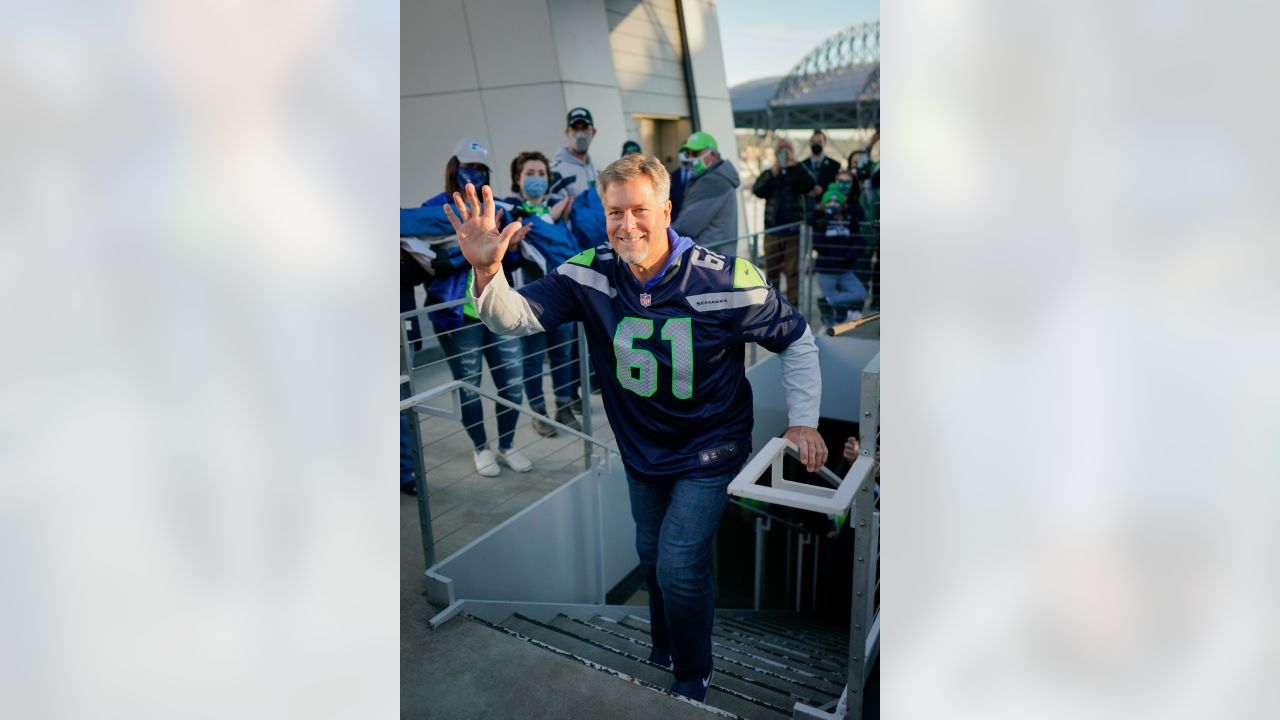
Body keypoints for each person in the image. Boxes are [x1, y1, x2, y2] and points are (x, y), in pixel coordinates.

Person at [443, 154, 828, 702]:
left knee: (677, 562)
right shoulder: (589, 271)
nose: (628, 225)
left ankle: (693, 673)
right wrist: (487, 270)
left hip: (710, 447)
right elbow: (516, 318)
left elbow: (798, 340)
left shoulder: (723, 278)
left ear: (667, 209)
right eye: (615, 212)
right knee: (652, 558)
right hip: (641, 449)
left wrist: (803, 423)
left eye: (640, 210)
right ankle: (665, 643)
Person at [400, 137, 535, 477]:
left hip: (497, 308)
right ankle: (481, 448)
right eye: (468, 167)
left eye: (481, 169)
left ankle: (506, 445)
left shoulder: (495, 207)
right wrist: (457, 255)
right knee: (468, 386)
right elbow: (421, 266)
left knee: (512, 383)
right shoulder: (435, 210)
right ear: (453, 168)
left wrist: (511, 248)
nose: (474, 173)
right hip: (456, 314)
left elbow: (509, 265)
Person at [501, 151, 583, 435]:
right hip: (529, 300)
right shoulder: (511, 211)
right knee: (532, 359)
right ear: (517, 179)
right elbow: (509, 259)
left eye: (541, 174)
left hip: (563, 297)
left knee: (564, 354)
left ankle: (563, 406)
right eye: (529, 174)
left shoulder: (562, 209)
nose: (537, 179)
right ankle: (538, 412)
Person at [751, 137, 816, 306]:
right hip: (772, 231)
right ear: (774, 152)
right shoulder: (770, 172)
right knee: (771, 272)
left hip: (793, 232)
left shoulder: (798, 171)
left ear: (792, 151)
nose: (783, 151)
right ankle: (772, 306)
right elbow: (757, 190)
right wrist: (773, 173)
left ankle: (794, 307)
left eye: (787, 148)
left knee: (793, 272)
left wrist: (798, 165)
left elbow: (811, 185)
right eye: (780, 148)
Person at [808, 183, 866, 324]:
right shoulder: (820, 221)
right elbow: (818, 244)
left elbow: (859, 240)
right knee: (829, 312)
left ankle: (827, 300)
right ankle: (830, 331)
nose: (833, 204)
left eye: (836, 201)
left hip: (844, 269)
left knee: (860, 293)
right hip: (826, 270)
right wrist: (826, 217)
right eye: (829, 201)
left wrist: (850, 255)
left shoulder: (848, 220)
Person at [670, 131, 739, 248]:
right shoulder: (716, 177)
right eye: (689, 154)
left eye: (696, 153)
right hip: (716, 255)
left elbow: (688, 225)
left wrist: (664, 235)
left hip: (707, 258)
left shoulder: (713, 181)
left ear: (713, 154)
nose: (691, 158)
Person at [551, 107, 598, 199]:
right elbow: (555, 210)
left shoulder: (598, 171)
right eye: (575, 128)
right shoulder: (556, 171)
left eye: (585, 128)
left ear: (593, 132)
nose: (580, 134)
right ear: (567, 132)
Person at [802, 129, 843, 207]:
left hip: (827, 205)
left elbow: (839, 186)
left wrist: (823, 190)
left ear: (825, 143)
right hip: (805, 206)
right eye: (813, 142)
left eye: (819, 142)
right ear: (810, 143)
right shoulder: (802, 165)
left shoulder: (835, 165)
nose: (816, 144)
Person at [669, 151, 694, 222]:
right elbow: (669, 198)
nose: (685, 155)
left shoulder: (700, 177)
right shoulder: (672, 176)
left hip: (695, 219)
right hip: (675, 219)